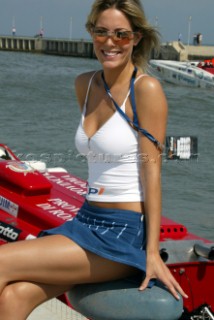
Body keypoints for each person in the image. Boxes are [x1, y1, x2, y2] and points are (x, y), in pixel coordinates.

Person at [0, 0, 188, 318]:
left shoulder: (146, 89)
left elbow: (153, 174)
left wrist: (153, 253)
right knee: (15, 296)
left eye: (121, 34)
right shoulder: (85, 85)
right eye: (101, 32)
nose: (109, 42)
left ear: (137, 37)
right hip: (85, 220)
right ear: (91, 33)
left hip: (122, 233)